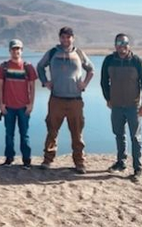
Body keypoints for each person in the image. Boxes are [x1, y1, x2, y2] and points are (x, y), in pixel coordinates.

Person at [37, 27, 94, 174]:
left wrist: (84, 84)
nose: (66, 40)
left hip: (75, 100)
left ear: (73, 38)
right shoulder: (52, 53)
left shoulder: (79, 54)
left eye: (68, 37)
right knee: (52, 131)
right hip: (56, 99)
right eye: (63, 37)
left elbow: (91, 70)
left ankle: (79, 162)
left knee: (77, 132)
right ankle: (48, 160)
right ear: (59, 38)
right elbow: (40, 67)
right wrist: (45, 82)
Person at [101, 33, 142, 181]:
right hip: (116, 106)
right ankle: (121, 163)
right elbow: (104, 81)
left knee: (135, 137)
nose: (122, 46)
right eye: (119, 43)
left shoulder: (137, 61)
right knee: (119, 134)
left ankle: (137, 169)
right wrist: (108, 98)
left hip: (133, 106)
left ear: (129, 45)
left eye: (125, 43)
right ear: (115, 45)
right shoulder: (109, 60)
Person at [0, 39, 37, 170]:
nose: (16, 51)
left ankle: (26, 160)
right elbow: (0, 86)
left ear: (22, 50)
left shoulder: (28, 67)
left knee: (24, 134)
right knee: (9, 134)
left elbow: (32, 87)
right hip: (8, 106)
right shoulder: (4, 67)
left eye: (18, 49)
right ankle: (9, 158)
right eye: (14, 49)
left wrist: (31, 104)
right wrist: (1, 105)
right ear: (10, 51)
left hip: (23, 107)